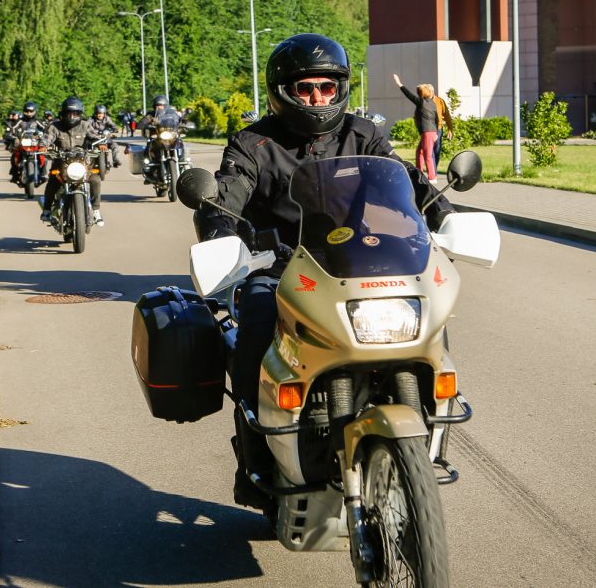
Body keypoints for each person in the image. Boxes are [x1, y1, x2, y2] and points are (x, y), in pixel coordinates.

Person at [194, 33, 455, 512]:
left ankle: (429, 434)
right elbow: (226, 194)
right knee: (253, 327)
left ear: (341, 89)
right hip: (281, 266)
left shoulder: (363, 134)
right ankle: (256, 460)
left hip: (358, 262)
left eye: (327, 88)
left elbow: (407, 183)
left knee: (427, 323)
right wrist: (218, 232)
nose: (318, 98)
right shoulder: (255, 142)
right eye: (306, 88)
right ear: (283, 90)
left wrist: (444, 214)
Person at [41, 97, 106, 227]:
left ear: (80, 114)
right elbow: (47, 138)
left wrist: (101, 144)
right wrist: (43, 145)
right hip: (62, 161)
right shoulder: (55, 126)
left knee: (95, 180)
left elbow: (95, 137)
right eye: (69, 113)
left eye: (75, 113)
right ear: (63, 114)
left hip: (83, 163)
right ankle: (47, 210)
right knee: (53, 180)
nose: (71, 116)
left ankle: (96, 210)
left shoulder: (85, 125)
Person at [393, 75, 439, 183]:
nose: (417, 93)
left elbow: (408, 95)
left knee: (427, 155)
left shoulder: (421, 102)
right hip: (430, 132)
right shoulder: (432, 103)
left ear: (421, 93)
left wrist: (399, 83)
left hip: (427, 132)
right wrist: (436, 132)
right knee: (420, 152)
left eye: (418, 92)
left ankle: (432, 178)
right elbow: (436, 118)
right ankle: (419, 173)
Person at [9, 101, 49, 184]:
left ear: (34, 111)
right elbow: (13, 129)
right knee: (14, 156)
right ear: (24, 111)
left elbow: (46, 129)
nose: (29, 113)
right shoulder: (20, 121)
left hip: (35, 143)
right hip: (23, 143)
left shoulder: (38, 121)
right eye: (27, 111)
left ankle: (43, 174)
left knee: (44, 157)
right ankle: (14, 174)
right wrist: (14, 136)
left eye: (31, 111)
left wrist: (42, 136)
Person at [88, 104, 122, 168]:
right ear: (95, 113)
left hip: (105, 137)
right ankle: (89, 162)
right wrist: (90, 132)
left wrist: (114, 130)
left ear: (104, 113)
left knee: (115, 145)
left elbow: (113, 126)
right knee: (88, 148)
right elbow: (86, 126)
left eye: (102, 113)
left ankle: (115, 160)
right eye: (98, 113)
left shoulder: (107, 119)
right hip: (94, 138)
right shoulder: (91, 119)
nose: (100, 115)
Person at [432, 90, 454, 170]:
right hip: (427, 129)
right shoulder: (424, 101)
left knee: (437, 150)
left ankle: (433, 170)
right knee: (428, 151)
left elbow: (447, 116)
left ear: (432, 92)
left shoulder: (440, 101)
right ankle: (431, 171)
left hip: (438, 129)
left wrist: (450, 129)